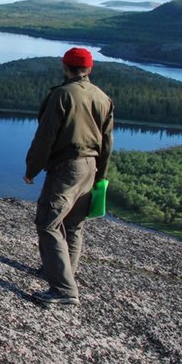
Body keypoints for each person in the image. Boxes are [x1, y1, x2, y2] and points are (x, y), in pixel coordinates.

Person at [23, 47, 114, 306]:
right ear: (89, 68)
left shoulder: (62, 95)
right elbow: (107, 142)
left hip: (67, 168)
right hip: (91, 167)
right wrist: (101, 176)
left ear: (66, 67)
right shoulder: (103, 97)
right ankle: (65, 273)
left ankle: (63, 289)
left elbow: (45, 137)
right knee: (73, 224)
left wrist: (32, 169)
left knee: (48, 222)